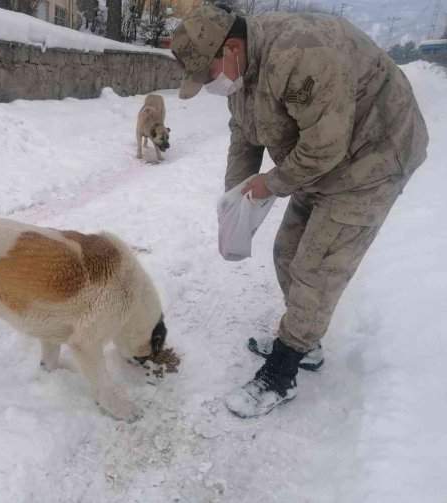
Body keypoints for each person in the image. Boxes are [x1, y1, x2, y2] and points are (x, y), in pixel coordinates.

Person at [170, 5, 428, 417]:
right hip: (320, 162)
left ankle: (281, 374)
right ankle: (307, 340)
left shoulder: (302, 55)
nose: (208, 84)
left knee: (316, 268)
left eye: (207, 74)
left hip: (373, 159)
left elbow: (326, 146)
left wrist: (270, 183)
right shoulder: (245, 69)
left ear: (231, 47)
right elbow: (245, 135)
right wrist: (235, 197)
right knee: (287, 252)